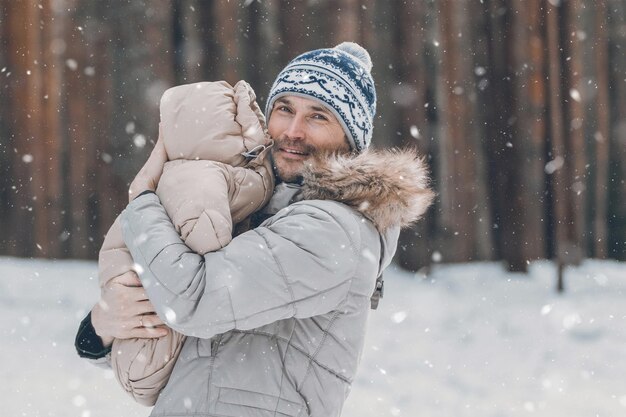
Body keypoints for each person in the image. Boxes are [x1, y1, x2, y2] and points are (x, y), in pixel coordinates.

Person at [75, 42, 435, 417]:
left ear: (351, 139)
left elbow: (193, 302)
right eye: (284, 109)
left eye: (319, 116)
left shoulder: (335, 230)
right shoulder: (253, 205)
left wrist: (144, 202)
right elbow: (175, 345)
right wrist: (103, 323)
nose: (293, 131)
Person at [98, 80, 274, 405]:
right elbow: (204, 261)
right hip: (159, 355)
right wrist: (99, 326)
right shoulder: (204, 179)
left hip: (160, 367)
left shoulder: (167, 177)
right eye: (283, 111)